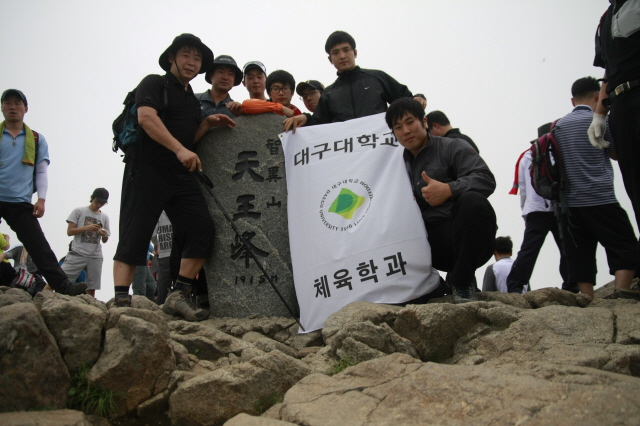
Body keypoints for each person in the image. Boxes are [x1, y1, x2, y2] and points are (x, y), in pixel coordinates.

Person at [112, 34, 235, 321]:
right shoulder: (154, 83)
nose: (192, 62)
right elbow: (146, 118)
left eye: (197, 58)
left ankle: (178, 294)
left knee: (202, 228)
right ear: (172, 58)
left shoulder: (191, 99)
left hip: (180, 175)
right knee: (135, 232)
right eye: (186, 55)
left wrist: (206, 123)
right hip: (146, 169)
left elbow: (188, 139)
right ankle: (120, 300)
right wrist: (179, 150)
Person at [385, 98, 497, 303]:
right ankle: (427, 286)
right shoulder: (394, 165)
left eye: (410, 122)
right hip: (428, 246)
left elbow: (485, 179)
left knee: (473, 201)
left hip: (467, 238)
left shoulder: (453, 147)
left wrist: (449, 189)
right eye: (398, 127)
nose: (406, 131)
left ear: (424, 122)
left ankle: (462, 282)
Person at [557, 76, 637, 299]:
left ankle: (587, 298)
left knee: (580, 252)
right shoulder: (601, 121)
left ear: (573, 101)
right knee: (624, 244)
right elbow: (615, 154)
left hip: (570, 203)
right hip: (600, 197)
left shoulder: (558, 126)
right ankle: (622, 291)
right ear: (597, 96)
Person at [0, 89, 86, 295]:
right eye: (8, 103)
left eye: (17, 103)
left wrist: (42, 199)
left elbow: (41, 171)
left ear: (26, 108)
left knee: (38, 245)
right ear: (2, 107)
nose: (13, 107)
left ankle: (62, 285)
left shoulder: (37, 139)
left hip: (20, 201)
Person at [589, 0, 640, 300]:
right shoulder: (606, 18)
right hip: (621, 104)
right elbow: (608, 69)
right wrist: (600, 113)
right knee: (635, 186)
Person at [284, 30, 427, 132]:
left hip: (384, 153)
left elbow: (406, 100)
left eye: (346, 50)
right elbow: (319, 124)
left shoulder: (377, 78)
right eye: (336, 52)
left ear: (355, 52)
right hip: (349, 157)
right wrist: (306, 118)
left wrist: (418, 97)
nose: (342, 56)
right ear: (330, 59)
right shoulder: (328, 93)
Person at [506, 123, 575, 294]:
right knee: (566, 247)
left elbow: (522, 189)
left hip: (535, 209)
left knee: (529, 249)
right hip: (559, 207)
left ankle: (515, 285)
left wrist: (525, 213)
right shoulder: (559, 152)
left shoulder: (526, 156)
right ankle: (570, 285)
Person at [61, 188, 110, 298]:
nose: (99, 205)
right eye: (97, 202)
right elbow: (69, 232)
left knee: (92, 286)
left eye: (102, 203)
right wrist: (86, 228)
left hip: (96, 255)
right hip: (78, 252)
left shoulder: (105, 217)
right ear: (92, 198)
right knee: (59, 279)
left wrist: (103, 234)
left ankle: (89, 305)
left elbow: (105, 240)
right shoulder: (79, 211)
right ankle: (43, 297)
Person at [152, 211, 173, 305]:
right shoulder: (179, 209)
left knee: (163, 284)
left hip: (163, 252)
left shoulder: (158, 213)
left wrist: (157, 245)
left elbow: (152, 235)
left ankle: (160, 305)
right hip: (178, 252)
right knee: (180, 282)